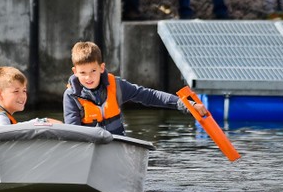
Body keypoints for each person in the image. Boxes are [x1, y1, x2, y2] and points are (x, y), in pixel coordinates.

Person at [63, 41, 207, 135]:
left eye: (93, 71)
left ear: (102, 68)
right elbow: (73, 132)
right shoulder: (71, 96)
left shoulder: (117, 86)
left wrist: (187, 105)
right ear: (75, 72)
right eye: (83, 73)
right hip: (87, 148)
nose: (89, 78)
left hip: (116, 145)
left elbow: (150, 96)